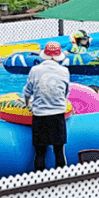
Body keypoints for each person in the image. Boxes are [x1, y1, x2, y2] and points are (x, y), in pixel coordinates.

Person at [22, 40, 71, 169]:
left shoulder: (35, 70)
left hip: (40, 115)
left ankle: (40, 179)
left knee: (40, 152)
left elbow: (28, 91)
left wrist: (27, 102)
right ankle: (62, 177)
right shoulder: (64, 71)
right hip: (58, 114)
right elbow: (65, 92)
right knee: (59, 151)